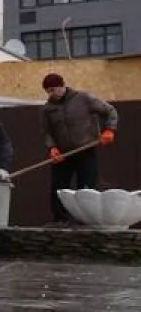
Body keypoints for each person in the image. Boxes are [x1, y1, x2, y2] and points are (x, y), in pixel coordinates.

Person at [40, 73, 118, 223]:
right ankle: (60, 220)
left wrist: (109, 129)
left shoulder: (83, 98)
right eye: (48, 91)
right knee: (59, 188)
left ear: (62, 86)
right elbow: (46, 132)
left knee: (87, 188)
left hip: (85, 149)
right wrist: (52, 147)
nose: (51, 94)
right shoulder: (47, 109)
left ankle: (86, 220)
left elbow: (110, 111)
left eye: (53, 89)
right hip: (63, 154)